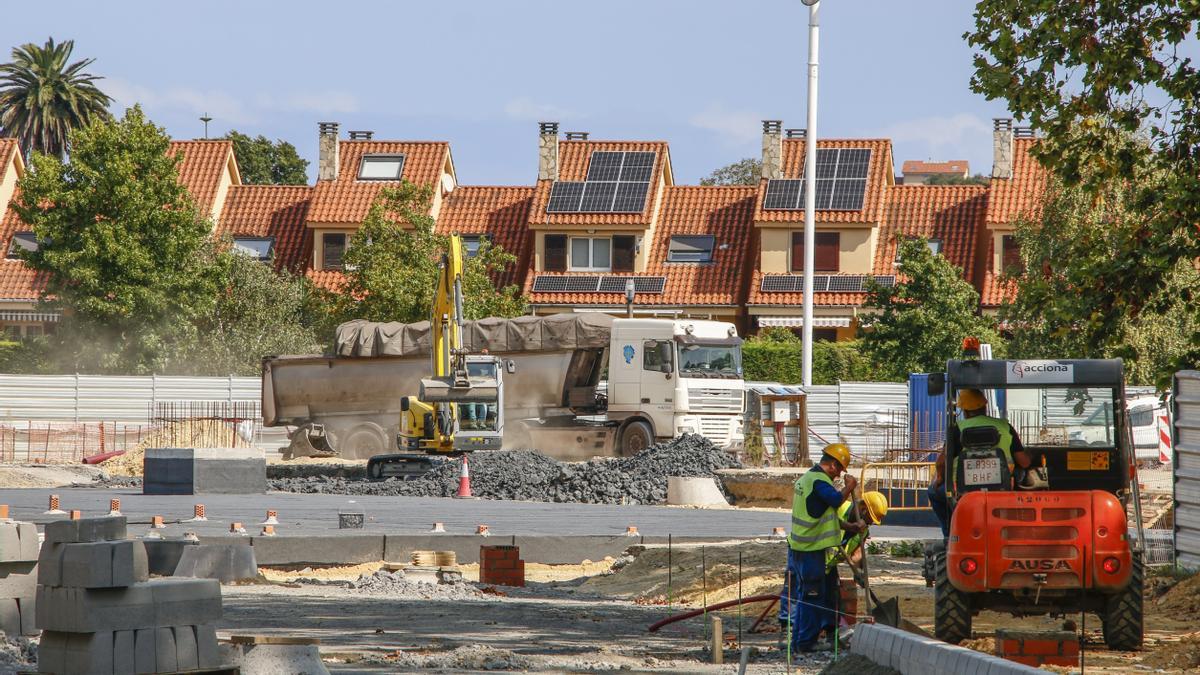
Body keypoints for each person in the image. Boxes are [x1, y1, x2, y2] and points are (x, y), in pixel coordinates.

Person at [778, 443, 865, 655]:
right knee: (812, 599)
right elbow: (835, 500)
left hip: (801, 548)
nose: (838, 477)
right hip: (810, 550)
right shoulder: (819, 481)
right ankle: (805, 644)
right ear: (834, 466)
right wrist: (850, 486)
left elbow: (823, 515)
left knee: (805, 597)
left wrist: (850, 527)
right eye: (840, 472)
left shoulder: (807, 479)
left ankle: (799, 643)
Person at [928, 388, 1032, 536]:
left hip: (963, 490)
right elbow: (1024, 462)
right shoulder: (1004, 426)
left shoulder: (958, 428)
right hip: (1003, 488)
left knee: (933, 492)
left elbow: (941, 462)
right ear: (985, 406)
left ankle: (950, 536)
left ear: (964, 410)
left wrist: (939, 479)